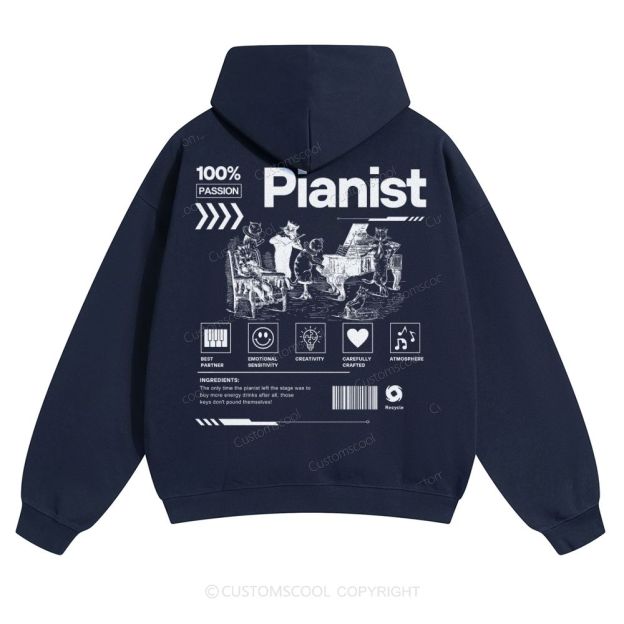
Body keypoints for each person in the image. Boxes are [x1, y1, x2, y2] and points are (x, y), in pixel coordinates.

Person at [269, 221, 304, 288]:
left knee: (287, 271)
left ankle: (288, 285)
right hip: (279, 257)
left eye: (293, 229)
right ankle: (278, 286)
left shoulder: (291, 239)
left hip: (286, 258)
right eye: (289, 228)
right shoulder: (279, 236)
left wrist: (298, 244)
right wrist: (280, 242)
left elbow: (299, 247)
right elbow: (271, 241)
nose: (290, 230)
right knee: (280, 270)